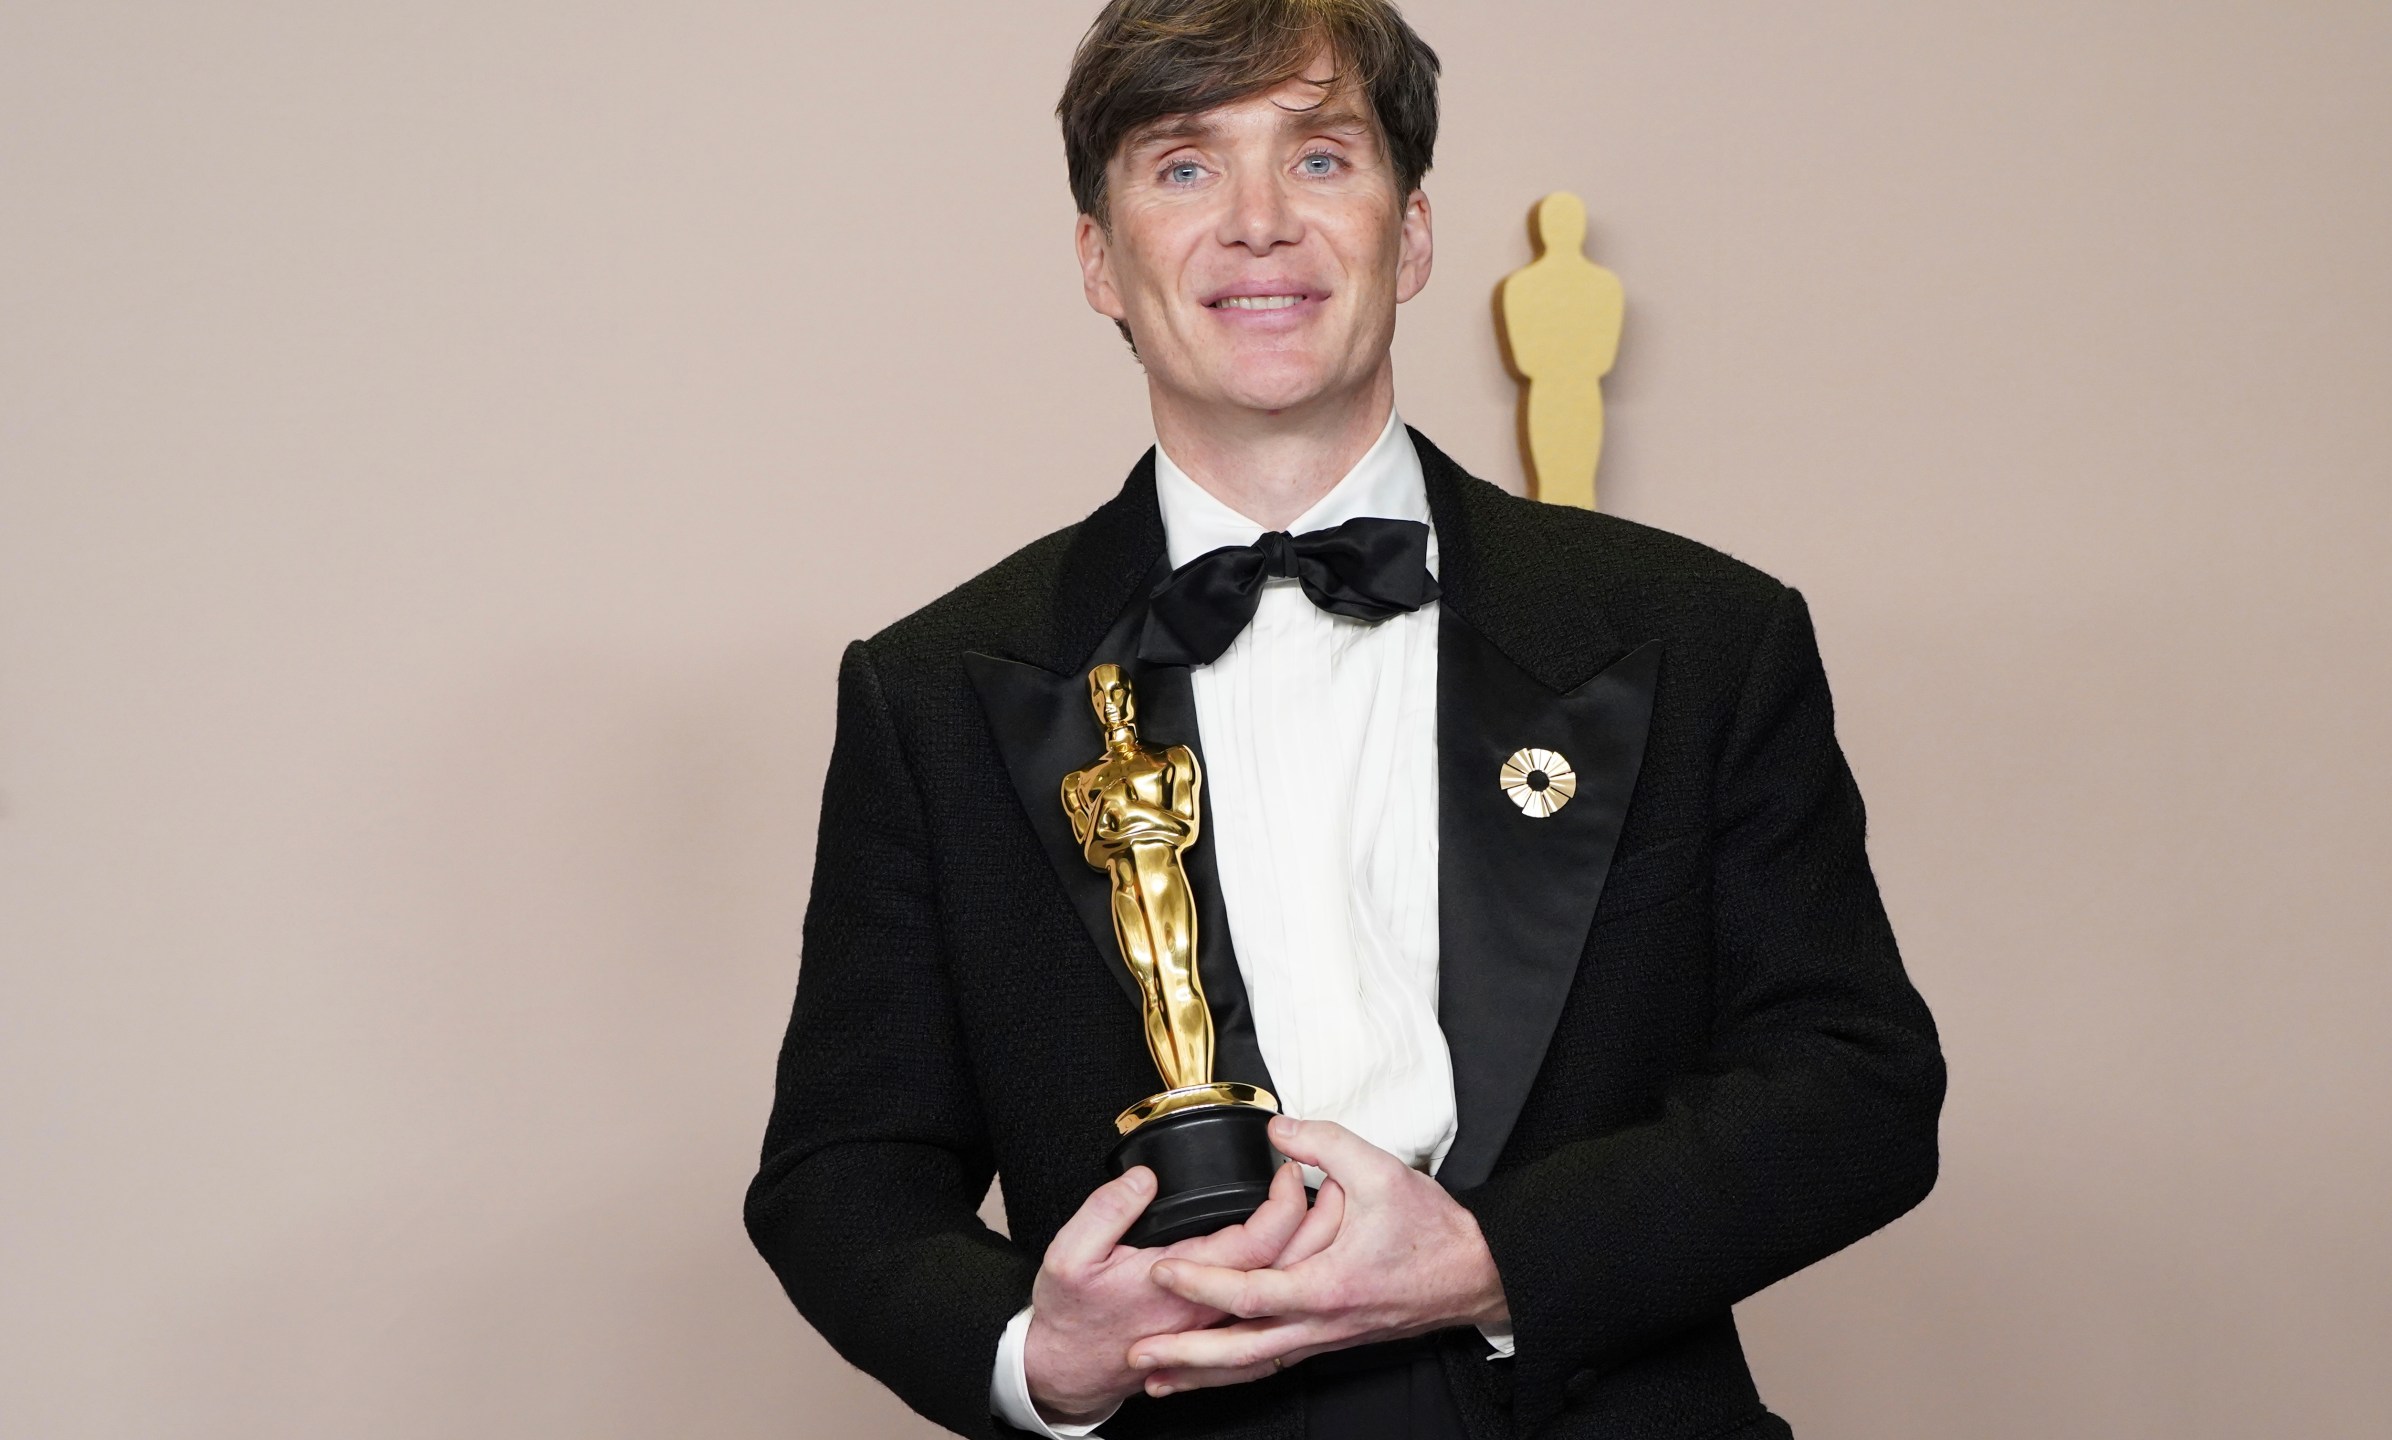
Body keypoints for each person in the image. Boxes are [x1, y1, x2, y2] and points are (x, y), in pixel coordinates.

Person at [744, 2, 1945, 1436]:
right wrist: (1036, 1356)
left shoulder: (1703, 635)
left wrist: (1493, 1262)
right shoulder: (933, 689)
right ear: (1097, 261)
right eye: (1185, 169)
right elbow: (843, 1170)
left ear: (1412, 234)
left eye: (1321, 160)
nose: (1259, 223)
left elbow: (1855, 1086)